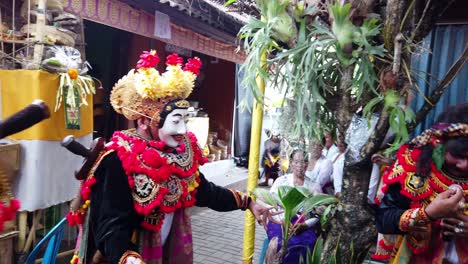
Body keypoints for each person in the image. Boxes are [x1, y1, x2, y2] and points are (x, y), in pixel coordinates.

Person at [67, 50, 276, 264]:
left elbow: (202, 191)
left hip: (168, 247)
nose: (184, 130)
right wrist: (128, 258)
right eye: (176, 121)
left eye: (186, 120)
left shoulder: (178, 152)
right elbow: (110, 225)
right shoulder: (117, 158)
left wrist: (247, 203)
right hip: (131, 254)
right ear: (144, 122)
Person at [376, 103, 468, 263]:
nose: (464, 165)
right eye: (456, 154)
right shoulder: (413, 165)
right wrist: (427, 214)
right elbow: (383, 220)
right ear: (438, 143)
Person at [267, 149, 321, 263]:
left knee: (309, 242)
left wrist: (305, 225)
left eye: (303, 161)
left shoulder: (313, 186)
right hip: (279, 220)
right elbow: (270, 204)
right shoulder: (282, 182)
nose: (300, 165)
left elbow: (317, 214)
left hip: (302, 223)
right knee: (280, 243)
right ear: (291, 163)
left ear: (307, 164)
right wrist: (283, 220)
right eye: (297, 162)